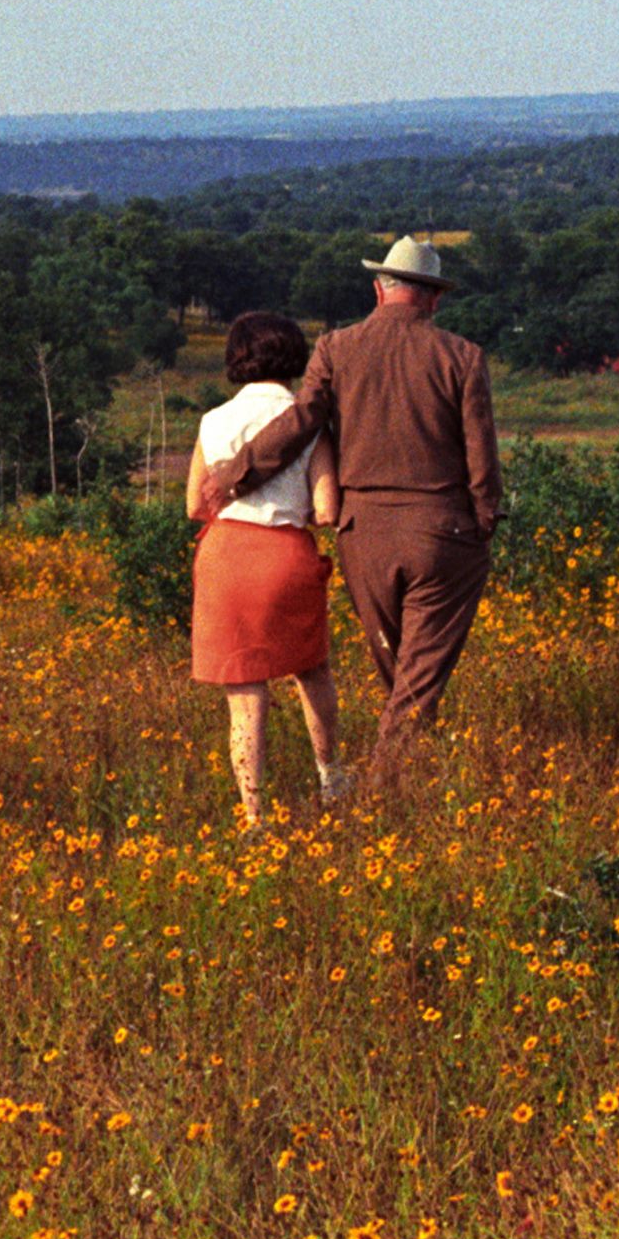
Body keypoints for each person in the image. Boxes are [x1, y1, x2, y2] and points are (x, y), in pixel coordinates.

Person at [196, 235, 500, 775]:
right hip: (443, 533)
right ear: (432, 298)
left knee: (399, 669)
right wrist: (481, 521)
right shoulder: (463, 356)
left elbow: (299, 423)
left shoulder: (337, 348)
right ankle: (388, 788)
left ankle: (406, 777)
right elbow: (482, 455)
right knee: (419, 674)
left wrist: (236, 475)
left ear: (378, 290)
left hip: (365, 537)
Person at [185, 311, 350, 825]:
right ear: (294, 357)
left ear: (237, 358)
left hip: (227, 558)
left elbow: (195, 504)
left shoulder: (212, 421)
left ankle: (254, 819)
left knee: (245, 692)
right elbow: (326, 508)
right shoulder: (308, 423)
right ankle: (332, 779)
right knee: (312, 669)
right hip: (286, 556)